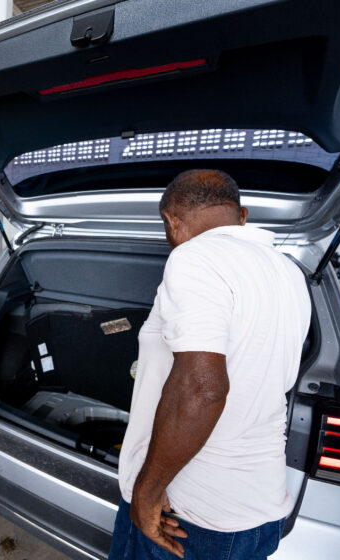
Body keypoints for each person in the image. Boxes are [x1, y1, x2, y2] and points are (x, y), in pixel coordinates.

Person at [110, 169, 311, 560]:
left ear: (171, 221)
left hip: (193, 513)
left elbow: (203, 390)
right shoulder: (288, 271)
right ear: (243, 216)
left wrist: (147, 493)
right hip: (260, 507)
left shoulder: (193, 258)